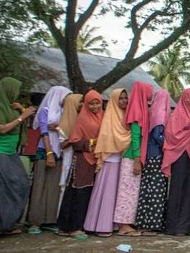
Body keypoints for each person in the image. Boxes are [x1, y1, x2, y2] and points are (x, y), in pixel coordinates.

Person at [0, 78, 35, 238]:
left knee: (20, 184)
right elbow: (2, 129)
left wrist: (21, 110)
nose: (17, 93)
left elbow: (19, 122)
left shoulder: (9, 106)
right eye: (15, 89)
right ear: (7, 89)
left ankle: (5, 223)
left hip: (9, 152)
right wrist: (22, 116)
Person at [57, 89, 103, 239]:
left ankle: (77, 225)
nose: (95, 107)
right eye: (91, 104)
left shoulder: (102, 117)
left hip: (95, 159)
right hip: (82, 159)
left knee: (87, 193)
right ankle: (72, 227)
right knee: (77, 192)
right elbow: (74, 140)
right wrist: (91, 142)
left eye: (97, 103)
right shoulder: (82, 119)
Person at [84, 89, 129, 237]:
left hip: (120, 162)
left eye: (125, 98)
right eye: (120, 99)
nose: (123, 101)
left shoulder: (126, 116)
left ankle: (113, 224)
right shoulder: (108, 118)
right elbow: (109, 139)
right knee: (105, 194)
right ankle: (100, 225)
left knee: (116, 195)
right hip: (109, 160)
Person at [27, 86, 72, 235]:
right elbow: (44, 133)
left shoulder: (63, 113)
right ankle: (34, 222)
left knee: (53, 187)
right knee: (39, 186)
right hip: (45, 150)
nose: (67, 100)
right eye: (66, 96)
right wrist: (49, 153)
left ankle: (49, 220)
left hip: (59, 152)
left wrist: (58, 128)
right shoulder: (45, 110)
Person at [114, 81, 154, 236]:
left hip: (133, 157)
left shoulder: (138, 109)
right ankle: (123, 225)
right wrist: (137, 160)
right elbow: (135, 137)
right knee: (127, 192)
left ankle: (127, 223)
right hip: (131, 157)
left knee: (131, 191)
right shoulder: (137, 111)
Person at [162, 88, 190, 235]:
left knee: (189, 190)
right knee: (178, 190)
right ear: (185, 99)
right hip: (180, 155)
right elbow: (171, 134)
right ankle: (173, 227)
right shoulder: (177, 114)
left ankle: (185, 226)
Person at [135, 89, 170, 234]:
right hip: (157, 157)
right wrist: (169, 148)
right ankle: (153, 224)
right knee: (157, 191)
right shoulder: (161, 114)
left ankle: (143, 222)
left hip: (149, 156)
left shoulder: (151, 112)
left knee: (147, 189)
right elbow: (158, 136)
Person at [57, 93, 83, 211]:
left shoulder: (82, 119)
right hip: (67, 158)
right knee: (64, 186)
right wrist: (72, 140)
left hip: (79, 158)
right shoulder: (64, 122)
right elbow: (62, 145)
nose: (82, 104)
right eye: (80, 102)